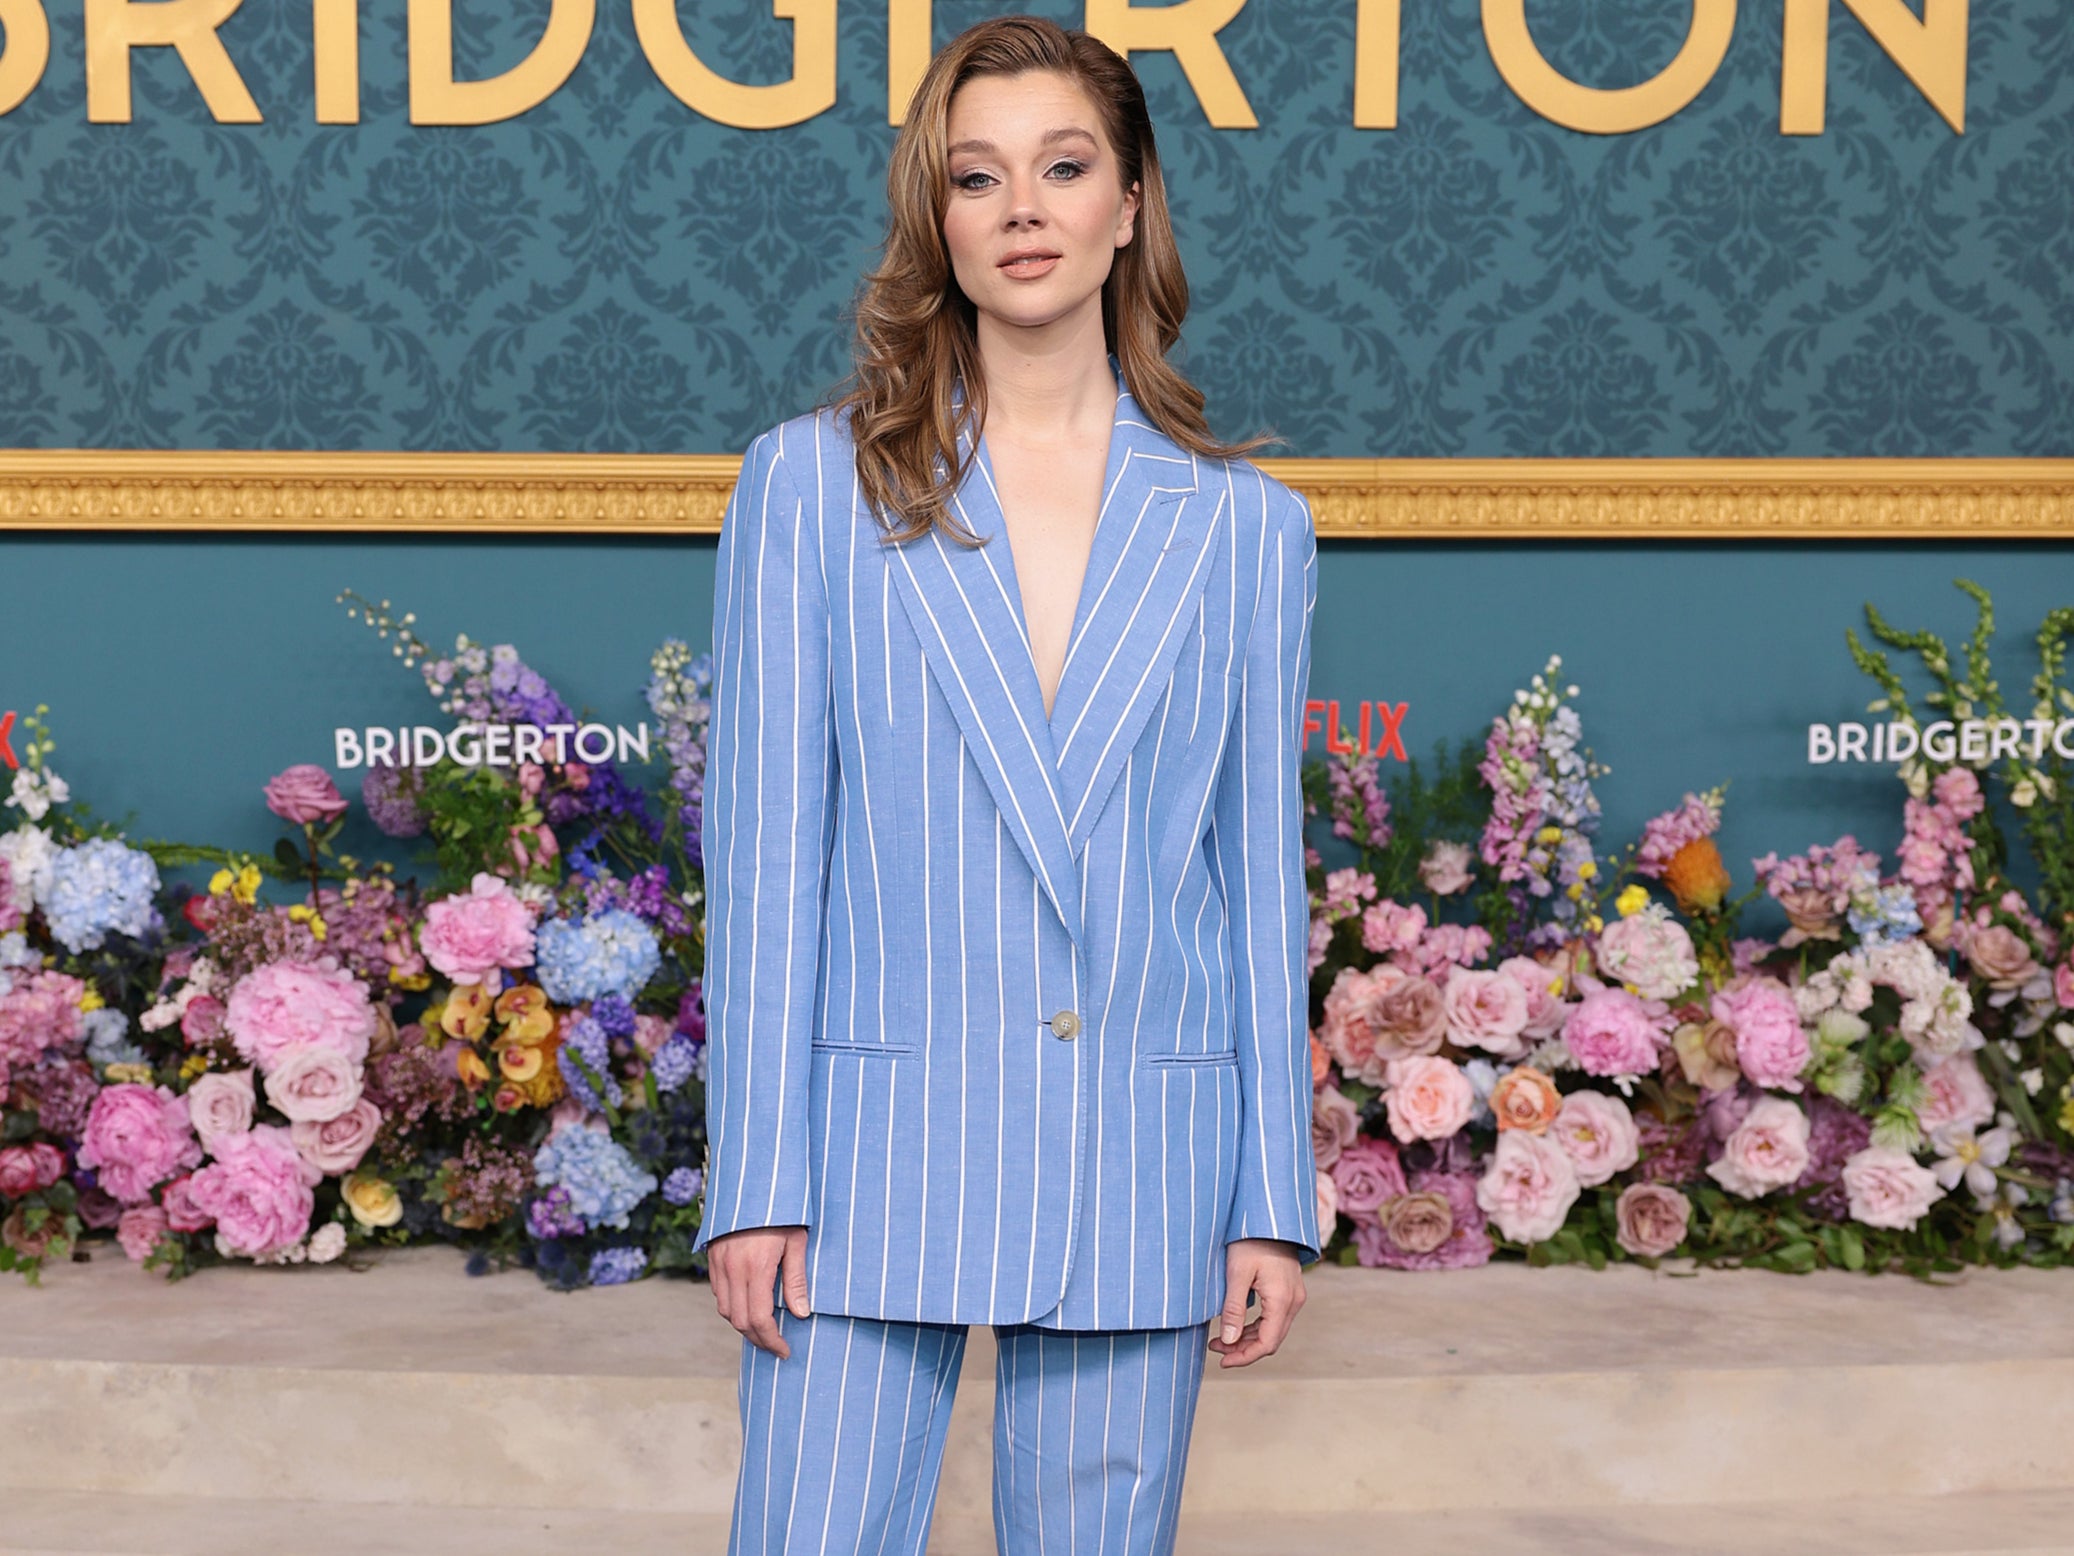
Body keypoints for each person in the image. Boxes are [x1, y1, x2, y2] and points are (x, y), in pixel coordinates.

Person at [692, 15, 1320, 1554]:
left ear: (1127, 205)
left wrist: (1269, 1197)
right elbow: (770, 857)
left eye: (1062, 166)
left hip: (1141, 1155)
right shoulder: (810, 485)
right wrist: (752, 1178)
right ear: (939, 217)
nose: (1022, 207)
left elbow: (1252, 877)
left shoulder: (1246, 528)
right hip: (862, 1156)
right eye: (979, 177)